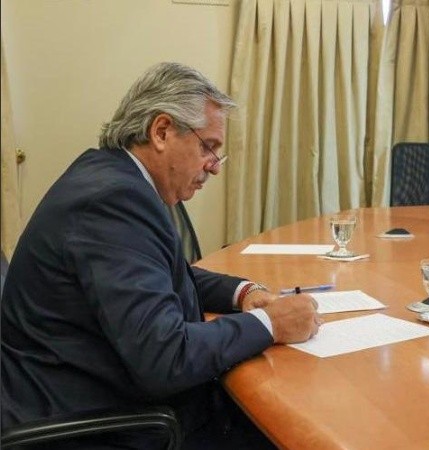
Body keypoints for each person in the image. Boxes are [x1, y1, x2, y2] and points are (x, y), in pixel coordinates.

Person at [0, 62, 322, 449]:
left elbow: (172, 274)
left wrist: (244, 292)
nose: (214, 168)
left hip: (85, 392)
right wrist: (270, 324)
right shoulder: (114, 201)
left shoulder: (110, 176)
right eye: (209, 147)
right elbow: (165, 358)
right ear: (162, 131)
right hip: (103, 424)